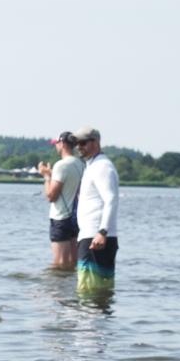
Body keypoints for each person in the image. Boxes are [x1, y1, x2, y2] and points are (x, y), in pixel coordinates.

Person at [73, 126, 119, 294]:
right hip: (91, 235)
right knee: (98, 292)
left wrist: (102, 232)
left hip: (97, 237)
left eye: (83, 142)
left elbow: (111, 198)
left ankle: (91, 320)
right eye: (77, 143)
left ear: (96, 142)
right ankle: (97, 318)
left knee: (89, 290)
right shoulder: (92, 166)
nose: (79, 146)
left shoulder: (102, 167)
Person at [38, 131, 84, 269]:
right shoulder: (81, 164)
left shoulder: (61, 165)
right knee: (72, 263)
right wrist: (52, 174)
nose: (55, 146)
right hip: (75, 218)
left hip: (60, 218)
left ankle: (58, 289)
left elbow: (51, 196)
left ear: (62, 144)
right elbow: (69, 181)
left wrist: (46, 177)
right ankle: (70, 290)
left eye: (56, 143)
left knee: (59, 265)